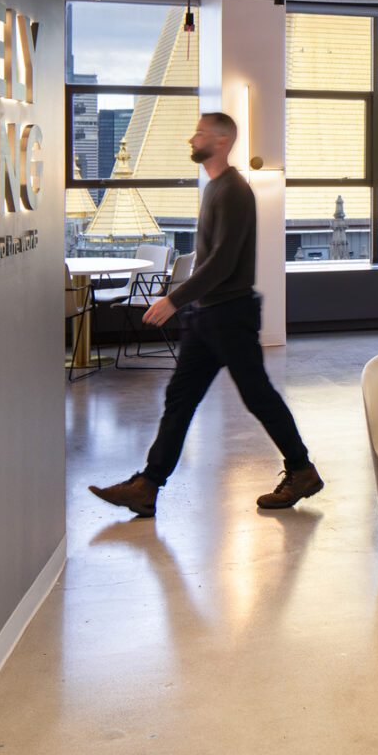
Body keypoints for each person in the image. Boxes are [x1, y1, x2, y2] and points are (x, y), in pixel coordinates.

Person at [89, 112, 323, 517]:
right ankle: (148, 485)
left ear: (220, 141)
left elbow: (222, 263)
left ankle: (302, 470)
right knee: (180, 398)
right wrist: (190, 303)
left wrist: (173, 300)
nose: (191, 139)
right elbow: (210, 262)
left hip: (229, 315)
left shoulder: (233, 191)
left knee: (258, 396)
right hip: (208, 315)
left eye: (199, 134)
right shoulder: (215, 187)